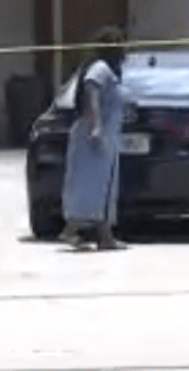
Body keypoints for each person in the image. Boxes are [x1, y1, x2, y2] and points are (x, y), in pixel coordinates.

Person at [59, 26, 128, 251]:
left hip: (107, 139)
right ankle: (70, 231)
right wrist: (95, 124)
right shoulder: (99, 68)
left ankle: (105, 236)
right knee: (87, 186)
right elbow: (92, 90)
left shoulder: (113, 72)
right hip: (92, 138)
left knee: (105, 188)